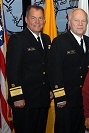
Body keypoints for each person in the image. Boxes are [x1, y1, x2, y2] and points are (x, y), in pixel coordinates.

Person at [6, 5, 52, 133]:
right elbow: (12, 70)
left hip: (42, 98)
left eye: (40, 18)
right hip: (24, 101)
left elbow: (47, 66)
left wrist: (50, 89)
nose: (37, 21)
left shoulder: (46, 39)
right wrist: (17, 96)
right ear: (26, 20)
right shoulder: (18, 39)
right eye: (33, 18)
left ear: (44, 20)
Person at [48, 8, 89, 133]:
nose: (80, 24)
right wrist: (60, 96)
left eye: (83, 21)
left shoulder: (87, 41)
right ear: (69, 22)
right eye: (76, 20)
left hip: (82, 98)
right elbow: (54, 69)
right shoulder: (60, 42)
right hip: (66, 98)